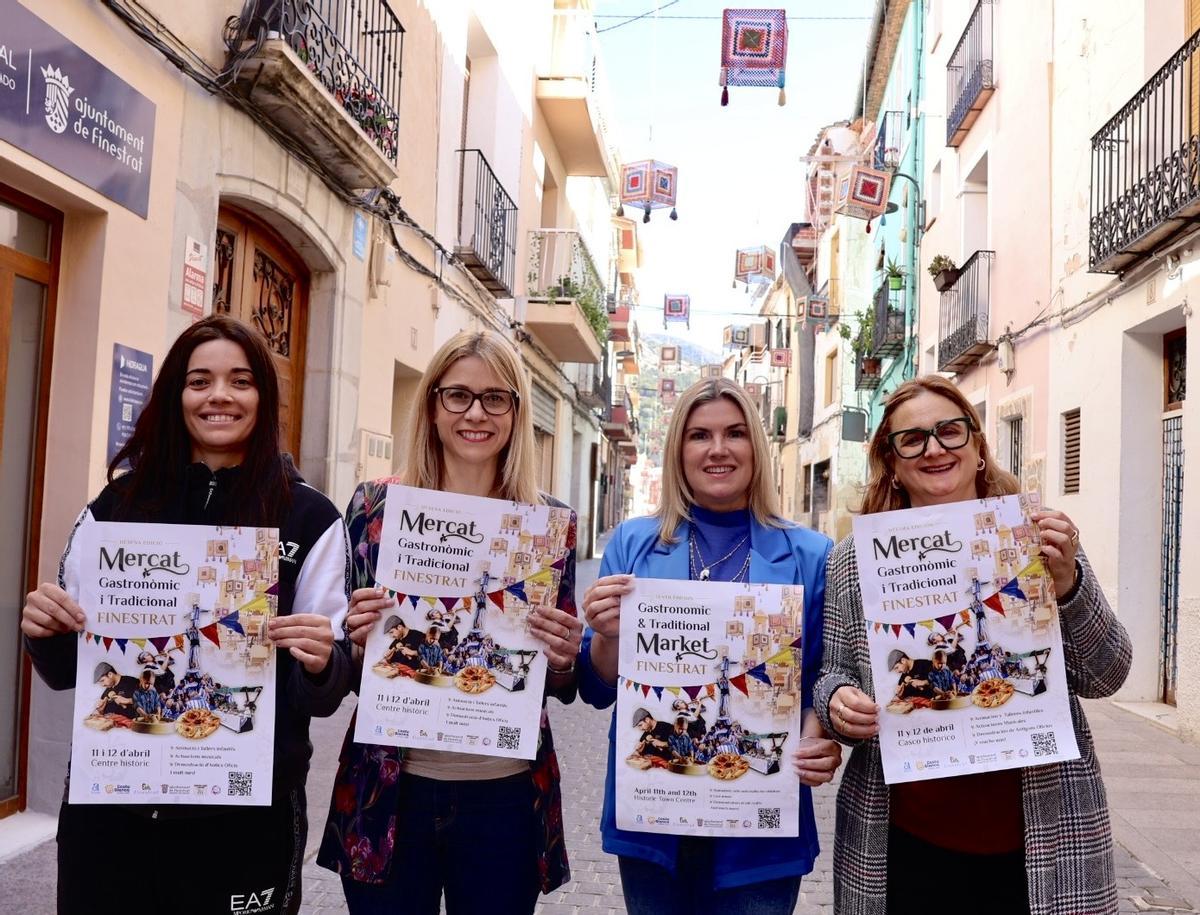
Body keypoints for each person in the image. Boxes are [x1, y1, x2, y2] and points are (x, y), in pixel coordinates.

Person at [21, 315, 352, 915]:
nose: (219, 395)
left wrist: (324, 659)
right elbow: (71, 669)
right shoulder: (114, 507)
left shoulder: (309, 518)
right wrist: (45, 631)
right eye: (200, 381)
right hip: (112, 814)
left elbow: (326, 691)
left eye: (240, 381)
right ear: (175, 395)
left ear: (264, 398)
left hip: (243, 818)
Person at [814, 375, 1132, 915]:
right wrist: (838, 702)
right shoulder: (852, 561)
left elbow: (1107, 675)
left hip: (1041, 841)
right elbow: (833, 673)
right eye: (912, 439)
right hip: (901, 840)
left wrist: (1067, 586)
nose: (934, 448)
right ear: (890, 460)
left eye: (949, 431)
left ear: (978, 446)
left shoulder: (1036, 539)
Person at [316, 329, 584, 915]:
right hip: (390, 791)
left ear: (516, 412)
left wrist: (565, 657)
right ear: (432, 405)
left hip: (505, 796)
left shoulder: (547, 526)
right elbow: (352, 669)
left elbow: (556, 682)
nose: (475, 414)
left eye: (496, 398)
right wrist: (358, 640)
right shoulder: (374, 509)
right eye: (458, 395)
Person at [577, 377, 841, 915]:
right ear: (679, 450)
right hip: (654, 816)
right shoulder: (633, 543)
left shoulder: (813, 555)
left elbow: (825, 678)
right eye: (700, 435)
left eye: (735, 433)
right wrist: (606, 635)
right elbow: (597, 688)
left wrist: (820, 735)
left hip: (762, 827)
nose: (718, 449)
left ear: (756, 449)